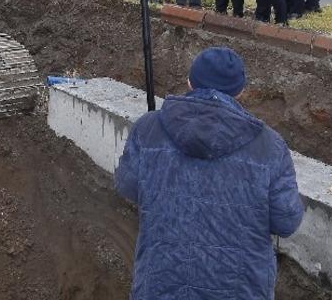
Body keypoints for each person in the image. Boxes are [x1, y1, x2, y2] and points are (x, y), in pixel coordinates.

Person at [115, 47, 304, 299]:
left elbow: (127, 186)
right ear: (240, 91)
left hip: (161, 285)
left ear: (190, 81)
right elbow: (287, 221)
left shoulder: (148, 129)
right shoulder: (270, 146)